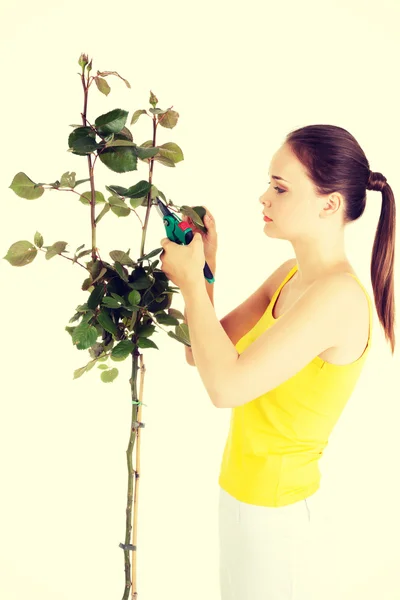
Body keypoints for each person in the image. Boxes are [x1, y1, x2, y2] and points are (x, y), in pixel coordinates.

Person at [184, 123, 396, 599]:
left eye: (280, 187)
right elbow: (201, 353)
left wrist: (192, 287)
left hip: (275, 517)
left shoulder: (338, 298)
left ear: (329, 205)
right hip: (239, 498)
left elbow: (226, 390)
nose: (264, 197)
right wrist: (204, 270)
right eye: (269, 183)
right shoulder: (290, 275)